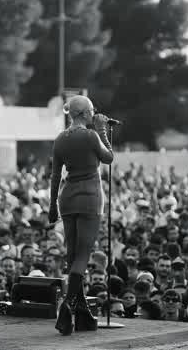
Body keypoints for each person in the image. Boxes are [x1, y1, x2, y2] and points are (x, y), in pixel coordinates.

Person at [49, 95, 113, 336]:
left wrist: (52, 205)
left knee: (73, 255)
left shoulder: (60, 139)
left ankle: (83, 313)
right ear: (85, 113)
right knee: (83, 255)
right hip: (89, 198)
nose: (94, 113)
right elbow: (108, 157)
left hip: (67, 198)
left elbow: (55, 176)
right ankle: (68, 306)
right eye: (92, 110)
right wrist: (102, 129)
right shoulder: (91, 135)